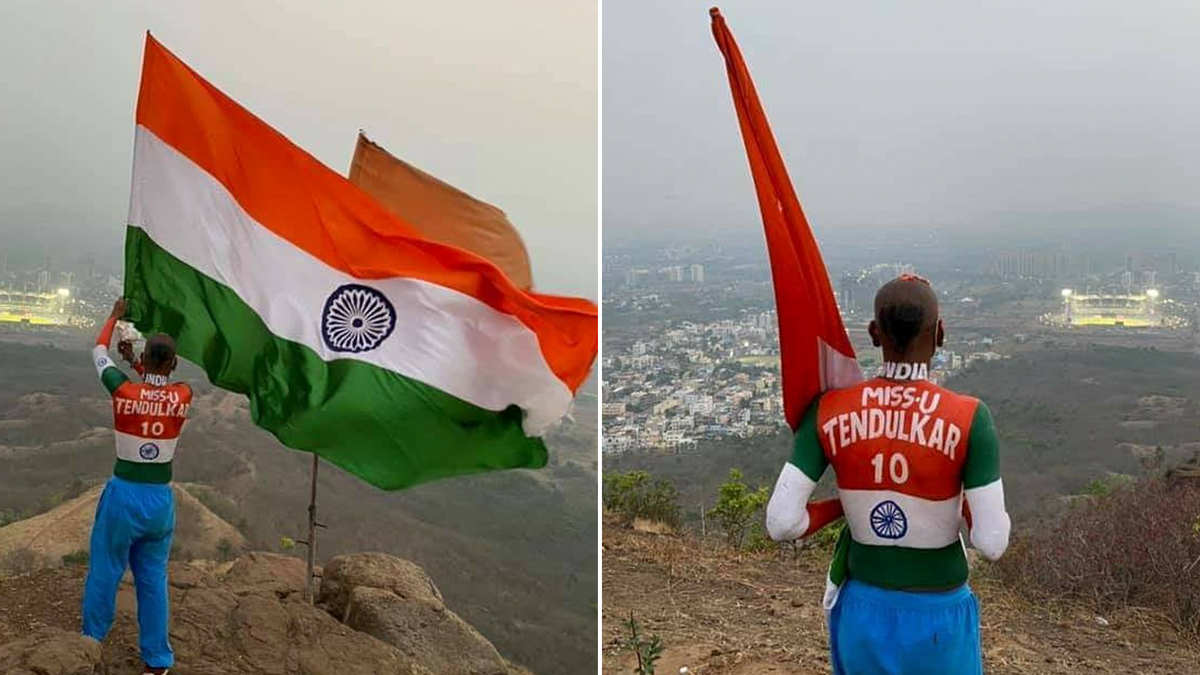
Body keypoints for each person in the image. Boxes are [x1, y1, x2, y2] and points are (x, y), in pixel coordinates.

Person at [765, 274, 1010, 675]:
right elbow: (992, 542)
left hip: (862, 609)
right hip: (938, 615)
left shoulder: (828, 410)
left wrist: (846, 506)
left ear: (875, 334)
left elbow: (782, 523)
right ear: (940, 334)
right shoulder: (970, 418)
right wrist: (954, 504)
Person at [83, 298, 192, 675]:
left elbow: (98, 350)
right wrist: (141, 363)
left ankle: (89, 644)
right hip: (160, 501)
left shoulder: (123, 392)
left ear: (146, 358)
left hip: (124, 494)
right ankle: (157, 661)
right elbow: (159, 388)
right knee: (152, 578)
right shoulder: (183, 395)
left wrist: (114, 317)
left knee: (106, 569)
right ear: (174, 364)